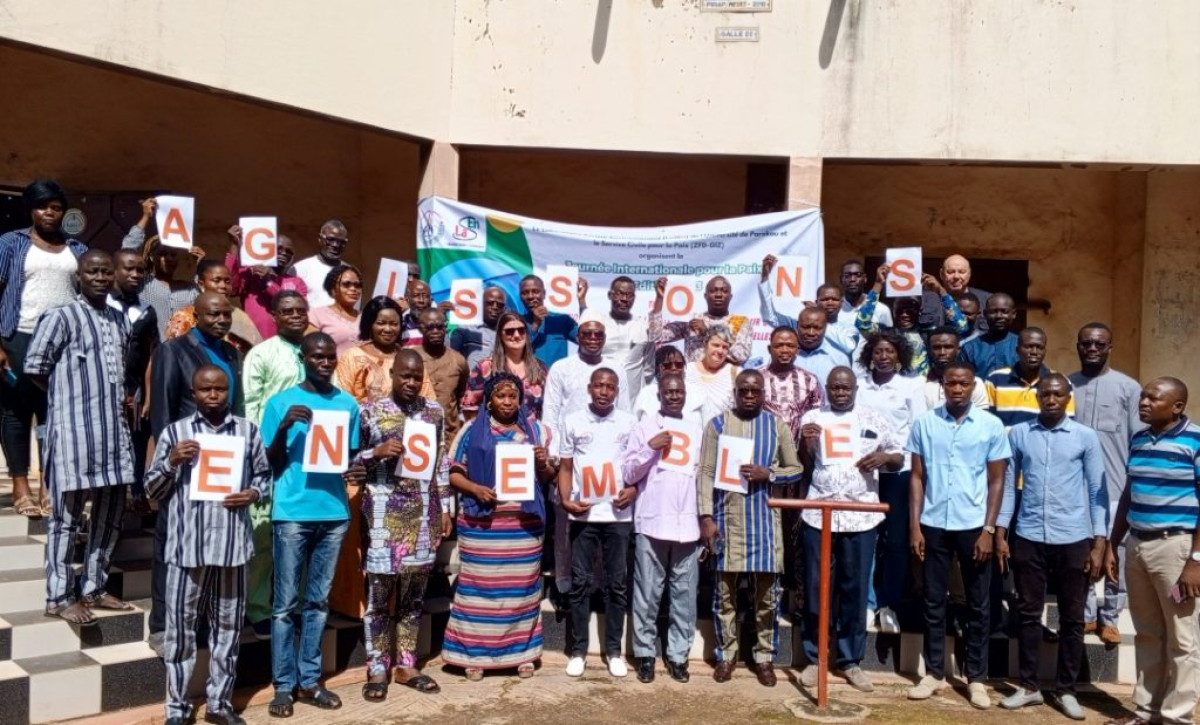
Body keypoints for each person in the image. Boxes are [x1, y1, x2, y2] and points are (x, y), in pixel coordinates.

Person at [144, 366, 270, 725]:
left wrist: (253, 493)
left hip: (232, 548)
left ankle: (220, 704)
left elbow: (264, 476)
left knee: (228, 631)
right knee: (180, 631)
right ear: (193, 391)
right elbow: (152, 489)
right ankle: (177, 708)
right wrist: (171, 463)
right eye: (205, 389)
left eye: (220, 389)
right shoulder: (176, 433)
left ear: (229, 391)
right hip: (187, 549)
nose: (213, 395)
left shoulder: (247, 432)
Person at [25, 249, 135, 625]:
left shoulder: (119, 320)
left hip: (113, 436)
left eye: (106, 272)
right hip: (73, 435)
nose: (101, 277)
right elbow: (36, 368)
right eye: (93, 272)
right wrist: (69, 402)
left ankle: (94, 587)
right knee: (66, 519)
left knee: (109, 514)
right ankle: (58, 596)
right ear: (79, 277)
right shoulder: (60, 317)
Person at [995, 374, 1106, 720]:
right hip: (1028, 535)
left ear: (1067, 398)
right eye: (1046, 394)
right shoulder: (1021, 435)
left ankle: (1066, 689)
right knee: (1028, 613)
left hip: (1074, 538)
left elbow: (1096, 491)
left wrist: (1099, 541)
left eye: (1058, 394)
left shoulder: (1085, 437)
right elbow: (1010, 488)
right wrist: (1000, 531)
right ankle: (1029, 687)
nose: (1052, 399)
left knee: (1072, 618)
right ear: (1038, 397)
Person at [262, 332, 362, 717]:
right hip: (291, 513)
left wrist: (355, 467)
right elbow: (268, 462)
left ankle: (310, 681)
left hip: (333, 512)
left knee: (318, 602)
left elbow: (348, 458)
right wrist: (285, 427)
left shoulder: (347, 404)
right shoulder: (280, 403)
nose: (324, 363)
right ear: (303, 359)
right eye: (316, 357)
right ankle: (283, 686)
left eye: (329, 357)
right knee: (285, 604)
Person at [906, 362, 1010, 710]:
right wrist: (915, 526)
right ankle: (934, 673)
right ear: (942, 387)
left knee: (978, 605)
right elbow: (917, 478)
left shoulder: (991, 426)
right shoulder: (925, 423)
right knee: (933, 601)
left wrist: (989, 530)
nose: (957, 389)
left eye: (963, 383)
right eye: (951, 383)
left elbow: (997, 481)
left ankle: (976, 678)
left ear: (973, 386)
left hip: (973, 526)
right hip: (934, 523)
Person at [796, 367, 904, 693]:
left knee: (855, 589)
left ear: (856, 388)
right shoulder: (812, 417)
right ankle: (816, 658)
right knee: (817, 587)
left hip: (861, 516)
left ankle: (851, 660)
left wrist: (883, 457)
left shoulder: (874, 418)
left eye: (846, 388)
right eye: (835, 388)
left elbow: (899, 458)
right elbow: (803, 462)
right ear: (827, 389)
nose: (841, 393)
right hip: (819, 513)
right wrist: (807, 442)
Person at [443, 373, 556, 680]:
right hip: (483, 526)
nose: (507, 402)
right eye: (501, 396)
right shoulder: (472, 430)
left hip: (524, 527)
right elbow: (453, 473)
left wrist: (543, 462)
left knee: (521, 590)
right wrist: (475, 489)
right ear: (489, 400)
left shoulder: (535, 431)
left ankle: (521, 654)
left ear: (521, 399)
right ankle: (473, 655)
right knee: (478, 589)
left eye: (513, 396)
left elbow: (546, 478)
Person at [147, 291, 243, 652]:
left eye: (226, 314)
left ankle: (199, 620)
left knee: (207, 543)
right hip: (183, 460)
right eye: (212, 314)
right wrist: (169, 460)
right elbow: (162, 411)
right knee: (169, 542)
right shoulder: (173, 350)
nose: (220, 320)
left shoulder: (232, 352)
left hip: (220, 463)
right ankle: (161, 625)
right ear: (196, 315)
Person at [1102, 378, 1200, 725]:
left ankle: (1177, 717)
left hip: (1175, 551)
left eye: (1152, 398)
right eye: (1143, 395)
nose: (1143, 402)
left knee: (1181, 638)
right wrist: (1113, 544)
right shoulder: (1140, 439)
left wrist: (1195, 562)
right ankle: (1147, 712)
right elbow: (1129, 493)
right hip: (1138, 546)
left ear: (1177, 406)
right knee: (1147, 632)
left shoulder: (1196, 441)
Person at [354, 350, 450, 701]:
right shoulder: (370, 411)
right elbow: (345, 457)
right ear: (392, 374)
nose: (410, 382)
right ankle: (377, 666)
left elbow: (440, 459)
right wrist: (374, 453)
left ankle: (406, 664)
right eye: (404, 376)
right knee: (379, 597)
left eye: (416, 376)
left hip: (423, 515)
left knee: (413, 598)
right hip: (381, 516)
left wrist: (445, 506)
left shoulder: (433, 412)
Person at [699, 370, 803, 686]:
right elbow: (705, 470)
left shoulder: (777, 425)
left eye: (754, 391)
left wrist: (768, 474)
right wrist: (705, 516)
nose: (748, 395)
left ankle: (764, 657)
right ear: (735, 391)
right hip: (727, 520)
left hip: (765, 525)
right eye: (743, 390)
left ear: (762, 393)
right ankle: (726, 655)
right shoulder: (717, 425)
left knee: (767, 598)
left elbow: (795, 469)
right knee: (725, 596)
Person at [0, 179, 87, 518]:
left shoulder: (75, 248)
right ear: (31, 209)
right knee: (17, 413)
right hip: (19, 336)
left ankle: (49, 483)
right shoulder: (11, 242)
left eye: (55, 207)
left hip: (63, 343)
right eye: (42, 206)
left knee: (54, 416)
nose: (50, 213)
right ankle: (21, 484)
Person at [559, 368, 638, 678]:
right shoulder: (573, 420)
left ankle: (614, 651)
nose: (604, 391)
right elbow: (565, 466)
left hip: (618, 516)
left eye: (610, 386)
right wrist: (566, 500)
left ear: (617, 391)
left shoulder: (629, 422)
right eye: (599, 385)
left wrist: (632, 489)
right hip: (584, 514)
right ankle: (578, 650)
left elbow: (638, 465)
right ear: (590, 388)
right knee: (580, 582)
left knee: (617, 584)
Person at [623, 372, 701, 684]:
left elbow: (702, 474)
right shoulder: (643, 428)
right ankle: (644, 654)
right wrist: (649, 448)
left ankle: (678, 656)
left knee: (684, 595)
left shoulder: (697, 430)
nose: (673, 396)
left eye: (678, 391)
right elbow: (628, 473)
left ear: (685, 395)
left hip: (688, 525)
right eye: (668, 392)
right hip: (652, 521)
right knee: (647, 593)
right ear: (659, 396)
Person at [240, 290, 309, 637]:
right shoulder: (261, 354)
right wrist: (259, 454)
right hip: (270, 456)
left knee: (298, 536)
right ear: (276, 317)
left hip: (308, 459)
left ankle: (292, 604)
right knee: (264, 535)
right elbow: (250, 406)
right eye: (288, 311)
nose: (296, 316)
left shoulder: (315, 352)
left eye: (301, 310)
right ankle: (258, 607)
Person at [1070, 322, 1142, 645]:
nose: (1093, 349)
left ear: (1110, 347)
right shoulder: (1067, 385)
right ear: (1078, 346)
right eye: (1086, 343)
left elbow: (1137, 441)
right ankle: (1086, 614)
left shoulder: (1128, 388)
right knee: (1084, 551)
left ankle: (1110, 616)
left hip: (1115, 489)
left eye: (1100, 344)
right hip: (1076, 489)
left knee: (1117, 553)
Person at [856, 329, 928, 633]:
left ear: (899, 356)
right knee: (865, 542)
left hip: (898, 475)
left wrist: (894, 459)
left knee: (896, 543)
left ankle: (888, 605)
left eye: (889, 352)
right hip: (863, 475)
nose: (883, 357)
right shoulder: (859, 386)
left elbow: (917, 433)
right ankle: (866, 603)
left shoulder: (911, 388)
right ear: (869, 356)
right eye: (877, 352)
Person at [108, 249, 159, 513]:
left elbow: (150, 354)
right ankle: (106, 494)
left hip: (134, 390)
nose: (135, 274)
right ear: (114, 271)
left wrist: (147, 395)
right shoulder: (101, 305)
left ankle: (136, 490)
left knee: (138, 438)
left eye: (140, 270)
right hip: (105, 390)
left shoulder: (146, 311)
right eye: (129, 268)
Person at [856, 265, 969, 377]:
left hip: (924, 389)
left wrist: (941, 291)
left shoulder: (929, 334)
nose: (905, 315)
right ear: (893, 311)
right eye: (900, 310)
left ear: (919, 311)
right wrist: (878, 285)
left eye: (910, 310)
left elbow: (961, 326)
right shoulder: (886, 335)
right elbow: (862, 324)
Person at [121, 198, 204, 339]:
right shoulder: (143, 283)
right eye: (163, 254)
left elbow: (204, 299)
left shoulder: (189, 289)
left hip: (183, 355)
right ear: (152, 257)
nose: (169, 258)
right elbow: (128, 252)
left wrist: (202, 266)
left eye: (173, 254)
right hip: (151, 355)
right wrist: (146, 217)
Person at [756, 256, 856, 357]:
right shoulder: (801, 325)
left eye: (834, 299)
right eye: (825, 299)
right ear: (817, 302)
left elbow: (849, 346)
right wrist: (765, 279)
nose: (830, 303)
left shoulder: (848, 326)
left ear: (841, 303)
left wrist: (822, 322)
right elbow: (770, 317)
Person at [462, 310, 549, 423]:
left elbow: (549, 408)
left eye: (521, 330)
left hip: (533, 437)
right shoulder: (485, 367)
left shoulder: (540, 368)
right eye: (510, 331)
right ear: (500, 336)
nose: (516, 335)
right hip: (495, 438)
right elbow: (470, 409)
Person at [225, 226, 308, 339]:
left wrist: (268, 283)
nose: (284, 253)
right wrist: (234, 245)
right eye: (278, 248)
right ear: (267, 249)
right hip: (252, 341)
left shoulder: (297, 282)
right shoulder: (251, 273)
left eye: (289, 252)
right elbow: (230, 288)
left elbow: (294, 306)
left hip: (285, 343)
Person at [165, 259, 262, 355]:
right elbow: (174, 354)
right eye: (217, 280)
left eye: (227, 281)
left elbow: (253, 351)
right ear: (201, 285)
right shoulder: (183, 318)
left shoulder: (240, 317)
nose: (223, 286)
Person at [651, 275, 752, 365]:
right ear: (705, 296)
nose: (718, 294)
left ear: (730, 297)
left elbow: (741, 356)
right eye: (713, 291)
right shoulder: (692, 320)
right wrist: (660, 298)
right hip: (693, 383)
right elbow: (656, 336)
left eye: (724, 291)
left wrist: (707, 333)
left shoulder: (740, 322)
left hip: (723, 383)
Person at [581, 276, 654, 399]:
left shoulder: (644, 327)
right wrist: (581, 299)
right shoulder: (598, 324)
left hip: (633, 402)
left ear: (634, 298)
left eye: (629, 295)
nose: (624, 299)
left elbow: (649, 368)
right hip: (600, 400)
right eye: (620, 294)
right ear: (610, 295)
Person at [986, 327, 1073, 429]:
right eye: (1028, 347)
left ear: (1045, 351)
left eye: (1039, 347)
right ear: (1017, 350)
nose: (1034, 352)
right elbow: (987, 422)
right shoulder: (995, 379)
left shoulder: (1061, 383)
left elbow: (1067, 424)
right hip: (1006, 444)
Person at [758, 326, 824, 443]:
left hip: (799, 453)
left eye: (790, 346)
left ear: (797, 350)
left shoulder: (810, 380)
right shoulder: (755, 379)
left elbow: (817, 417)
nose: (785, 350)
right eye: (779, 345)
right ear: (769, 349)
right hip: (763, 448)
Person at [336, 296, 403, 402]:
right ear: (369, 325)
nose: (388, 329)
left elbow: (425, 397)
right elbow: (342, 399)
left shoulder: (407, 359)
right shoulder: (352, 356)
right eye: (381, 323)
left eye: (394, 324)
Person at [415, 308, 469, 439]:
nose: (435, 331)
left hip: (449, 435)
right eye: (430, 327)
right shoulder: (411, 358)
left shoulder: (459, 360)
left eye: (440, 327)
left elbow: (462, 396)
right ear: (420, 328)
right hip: (417, 434)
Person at [519, 273, 582, 368]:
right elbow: (514, 350)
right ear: (520, 296)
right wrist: (535, 324)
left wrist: (582, 302)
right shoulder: (516, 322)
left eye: (535, 291)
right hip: (528, 380)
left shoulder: (562, 320)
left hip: (556, 380)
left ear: (544, 294)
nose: (530, 296)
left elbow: (587, 339)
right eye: (525, 293)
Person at [683, 326, 742, 424]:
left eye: (725, 347)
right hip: (689, 434)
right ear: (705, 344)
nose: (720, 351)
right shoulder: (687, 370)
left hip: (720, 434)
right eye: (716, 345)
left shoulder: (735, 373)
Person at [924, 326, 990, 410]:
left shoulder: (975, 383)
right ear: (929, 350)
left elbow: (982, 419)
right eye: (936, 348)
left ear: (958, 349)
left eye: (948, 347)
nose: (942, 352)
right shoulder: (920, 384)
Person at [919, 255, 991, 331]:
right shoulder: (925, 299)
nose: (956, 276)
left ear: (969, 274)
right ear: (941, 274)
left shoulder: (987, 300)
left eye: (962, 272)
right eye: (950, 272)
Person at [793, 307, 853, 393]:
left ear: (825, 328)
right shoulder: (784, 356)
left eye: (817, 328)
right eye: (806, 327)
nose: (811, 333)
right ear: (797, 325)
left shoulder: (839, 359)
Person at [960, 292, 1019, 378]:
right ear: (985, 314)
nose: (999, 316)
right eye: (993, 311)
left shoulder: (1023, 346)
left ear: (1013, 314)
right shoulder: (970, 348)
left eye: (1004, 311)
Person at [292, 220, 349, 309]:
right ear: (320, 239)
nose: (336, 245)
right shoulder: (300, 269)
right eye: (330, 239)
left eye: (341, 242)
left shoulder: (350, 272)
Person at [308, 263, 363, 354]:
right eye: (346, 284)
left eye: (358, 285)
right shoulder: (316, 315)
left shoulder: (367, 317)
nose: (353, 289)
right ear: (333, 289)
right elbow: (312, 351)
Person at [450, 285, 509, 370]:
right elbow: (449, 357)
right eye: (490, 303)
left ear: (504, 309)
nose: (495, 307)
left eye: (500, 305)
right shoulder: (464, 329)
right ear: (480, 304)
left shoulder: (509, 334)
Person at [633, 346, 688, 420]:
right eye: (667, 365)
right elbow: (634, 422)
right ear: (658, 368)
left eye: (679, 365)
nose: (674, 368)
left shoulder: (697, 392)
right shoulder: (646, 393)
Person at [837, 260, 892, 330]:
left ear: (865, 278)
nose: (852, 279)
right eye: (847, 276)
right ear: (841, 279)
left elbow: (888, 338)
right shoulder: (834, 309)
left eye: (858, 275)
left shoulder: (882, 310)